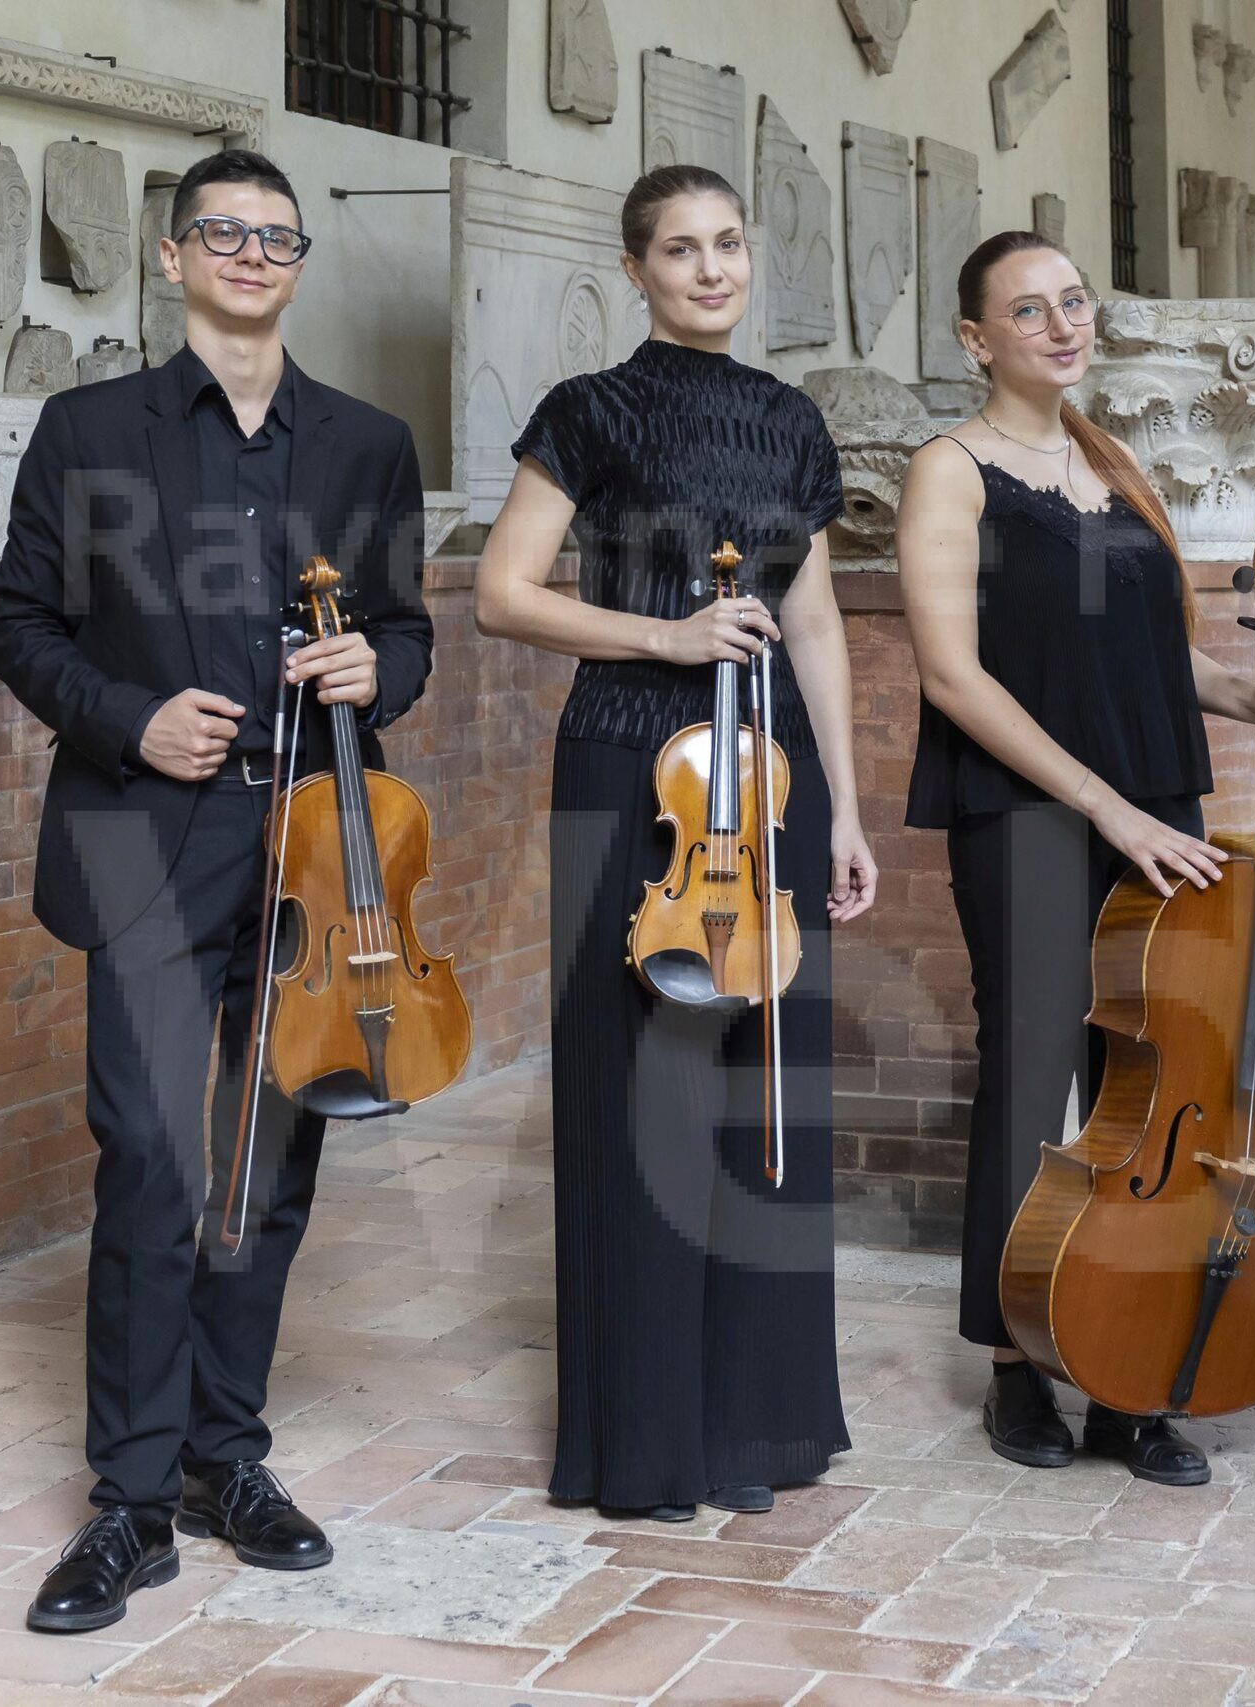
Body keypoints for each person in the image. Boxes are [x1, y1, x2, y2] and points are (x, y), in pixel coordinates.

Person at [0, 147, 434, 1632]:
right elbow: (18, 622)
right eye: (222, 231)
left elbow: (408, 631)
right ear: (173, 257)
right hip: (143, 829)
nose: (250, 252)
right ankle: (128, 1499)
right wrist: (130, 718)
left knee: (269, 1159)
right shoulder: (87, 428)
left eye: (276, 235)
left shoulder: (367, 444)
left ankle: (224, 1457)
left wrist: (378, 668)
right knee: (150, 1157)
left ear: (299, 263)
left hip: (313, 847)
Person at [473, 164, 874, 1521]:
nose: (712, 269)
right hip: (627, 760)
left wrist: (847, 806)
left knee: (764, 1087)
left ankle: (755, 1422)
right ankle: (643, 1437)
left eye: (729, 243)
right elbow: (502, 594)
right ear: (635, 269)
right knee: (647, 1080)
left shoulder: (791, 421)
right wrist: (669, 634)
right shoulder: (587, 411)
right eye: (682, 249)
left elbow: (812, 621)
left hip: (773, 774)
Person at [897, 231, 1255, 1488]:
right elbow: (952, 676)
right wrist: (1105, 810)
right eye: (1028, 311)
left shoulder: (1112, 461)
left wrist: (1246, 696)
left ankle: (1131, 1371)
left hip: (1153, 795)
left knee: (1151, 1080)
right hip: (1026, 811)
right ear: (976, 339)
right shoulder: (950, 472)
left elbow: (1152, 652)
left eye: (1073, 301)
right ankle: (1017, 1360)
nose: (1061, 325)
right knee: (1033, 1078)